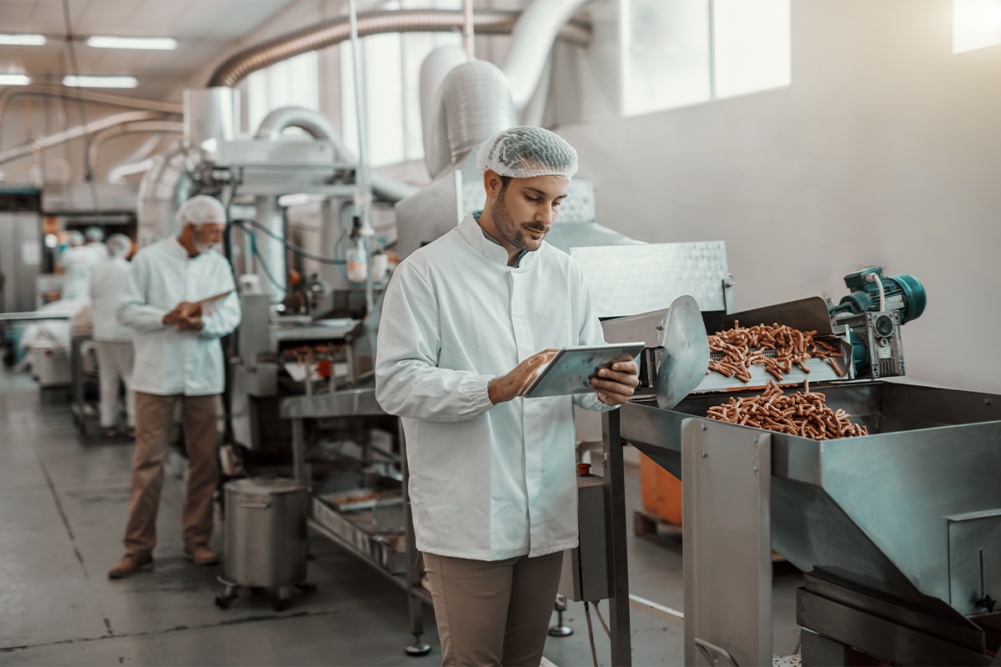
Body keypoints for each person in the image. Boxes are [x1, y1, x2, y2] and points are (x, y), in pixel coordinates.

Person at [375, 127, 640, 667]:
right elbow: (396, 382)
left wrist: (610, 389)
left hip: (544, 510)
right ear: (493, 184)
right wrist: (491, 389)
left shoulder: (564, 273)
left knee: (526, 659)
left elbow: (584, 384)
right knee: (476, 661)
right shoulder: (425, 274)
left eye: (557, 201)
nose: (546, 216)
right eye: (533, 198)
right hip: (468, 514)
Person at [108, 195, 241, 579]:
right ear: (190, 228)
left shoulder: (218, 264)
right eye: (211, 231)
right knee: (148, 462)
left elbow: (230, 313)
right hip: (155, 377)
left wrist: (202, 324)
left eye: (219, 231)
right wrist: (165, 317)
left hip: (203, 377)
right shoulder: (148, 260)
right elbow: (125, 309)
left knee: (204, 460)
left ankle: (197, 540)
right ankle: (137, 549)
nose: (216, 239)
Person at [90, 234, 136, 437]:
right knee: (131, 378)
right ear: (126, 249)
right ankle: (134, 423)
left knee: (108, 379)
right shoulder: (130, 269)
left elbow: (92, 295)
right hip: (124, 332)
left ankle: (108, 423)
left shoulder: (99, 269)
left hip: (101, 331)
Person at [59, 230, 102, 301]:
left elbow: (62, 269)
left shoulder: (67, 253)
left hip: (71, 288)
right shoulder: (91, 253)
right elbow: (97, 269)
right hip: (87, 288)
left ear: (70, 241)